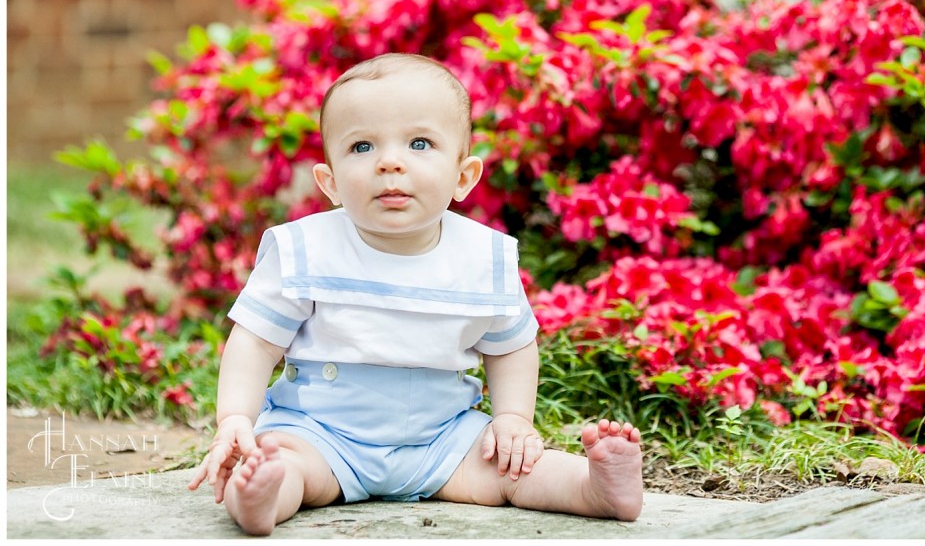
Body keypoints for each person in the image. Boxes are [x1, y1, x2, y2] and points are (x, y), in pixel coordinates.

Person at [187, 53, 643, 535]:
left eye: (419, 143)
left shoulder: (482, 258)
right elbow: (255, 341)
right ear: (331, 182)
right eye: (362, 146)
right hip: (322, 434)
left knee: (515, 469)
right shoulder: (305, 250)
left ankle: (594, 487)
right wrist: (235, 416)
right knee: (285, 463)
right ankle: (260, 496)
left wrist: (512, 418)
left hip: (445, 440)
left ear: (463, 176)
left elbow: (511, 347)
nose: (389, 162)